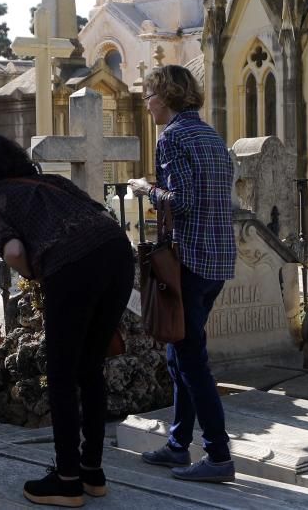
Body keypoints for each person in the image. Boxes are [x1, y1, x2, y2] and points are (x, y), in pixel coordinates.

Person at [0, 134, 133, 508]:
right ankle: (92, 472)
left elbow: (15, 250)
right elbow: (102, 215)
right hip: (117, 252)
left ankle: (67, 480)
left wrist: (37, 275)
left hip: (71, 265)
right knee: (90, 366)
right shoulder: (51, 182)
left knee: (61, 373)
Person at [128, 65, 237, 484]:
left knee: (192, 362)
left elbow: (184, 200)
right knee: (177, 354)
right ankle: (177, 445)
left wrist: (145, 189)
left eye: (149, 94)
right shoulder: (211, 134)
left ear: (167, 96)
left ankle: (218, 455)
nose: (146, 101)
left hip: (187, 261)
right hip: (217, 261)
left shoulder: (172, 136)